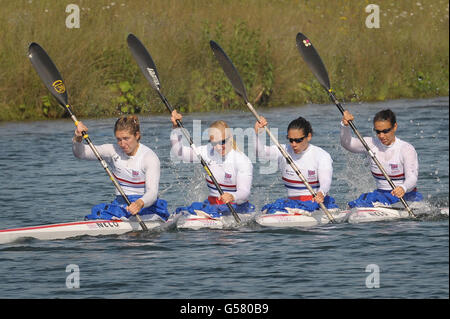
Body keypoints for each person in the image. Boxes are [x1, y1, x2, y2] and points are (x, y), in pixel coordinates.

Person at [72, 115, 169, 221]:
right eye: (119, 139)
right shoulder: (112, 150)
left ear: (137, 135)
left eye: (126, 138)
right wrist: (78, 138)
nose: (122, 144)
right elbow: (80, 153)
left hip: (145, 206)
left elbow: (152, 193)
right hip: (120, 205)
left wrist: (139, 203)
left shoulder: (149, 158)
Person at [170, 110, 254, 217]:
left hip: (236, 208)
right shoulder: (206, 151)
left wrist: (232, 196)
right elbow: (179, 153)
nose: (218, 147)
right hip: (212, 206)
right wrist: (176, 129)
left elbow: (245, 192)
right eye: (214, 143)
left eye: (222, 142)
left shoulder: (242, 161)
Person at [254, 116, 338, 213]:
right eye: (290, 140)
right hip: (291, 204)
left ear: (309, 136)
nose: (293, 144)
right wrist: (257, 133)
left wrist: (321, 193)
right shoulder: (283, 151)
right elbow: (259, 153)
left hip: (316, 204)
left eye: (298, 140)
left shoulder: (321, 155)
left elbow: (326, 181)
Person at [340, 108, 423, 208]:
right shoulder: (371, 144)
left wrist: (403, 188)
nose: (381, 136)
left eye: (385, 131)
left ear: (395, 127)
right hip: (381, 195)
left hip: (405, 196)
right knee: (355, 204)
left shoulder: (406, 149)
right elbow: (347, 144)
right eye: (378, 132)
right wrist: (344, 125)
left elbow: (412, 177)